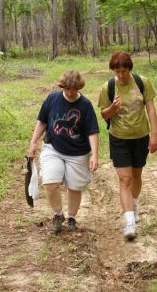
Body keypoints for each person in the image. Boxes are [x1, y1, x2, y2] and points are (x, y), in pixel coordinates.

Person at [28, 70, 99, 233]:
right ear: (62, 86)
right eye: (67, 89)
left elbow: (92, 132)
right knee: (50, 182)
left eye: (73, 89)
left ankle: (72, 217)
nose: (70, 93)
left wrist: (94, 155)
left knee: (75, 187)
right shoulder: (52, 99)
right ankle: (58, 214)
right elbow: (42, 123)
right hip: (53, 148)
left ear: (79, 87)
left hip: (79, 152)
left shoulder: (85, 105)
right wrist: (33, 142)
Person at [98, 52, 157, 240]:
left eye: (124, 71)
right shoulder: (108, 87)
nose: (121, 75)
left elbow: (150, 108)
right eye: (117, 72)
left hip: (140, 137)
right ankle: (129, 222)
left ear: (129, 69)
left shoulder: (142, 82)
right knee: (125, 179)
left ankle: (133, 204)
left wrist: (154, 135)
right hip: (119, 138)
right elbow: (104, 115)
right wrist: (112, 109)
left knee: (136, 175)